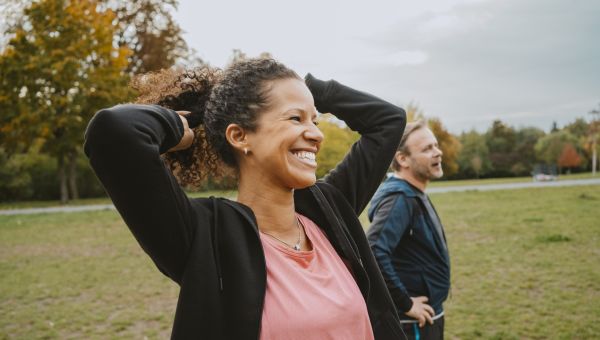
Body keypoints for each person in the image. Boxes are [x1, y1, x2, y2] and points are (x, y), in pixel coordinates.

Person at [84, 58, 407, 339]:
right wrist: (188, 121)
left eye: (315, 120)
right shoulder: (204, 237)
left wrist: (307, 88)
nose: (317, 134)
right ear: (239, 136)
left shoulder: (330, 210)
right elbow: (113, 132)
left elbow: (388, 120)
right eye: (296, 118)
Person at [366, 120, 450, 340]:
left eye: (435, 145)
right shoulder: (400, 198)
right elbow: (373, 250)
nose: (438, 153)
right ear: (402, 159)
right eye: (427, 149)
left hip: (425, 316)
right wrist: (405, 303)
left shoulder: (413, 192)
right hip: (412, 322)